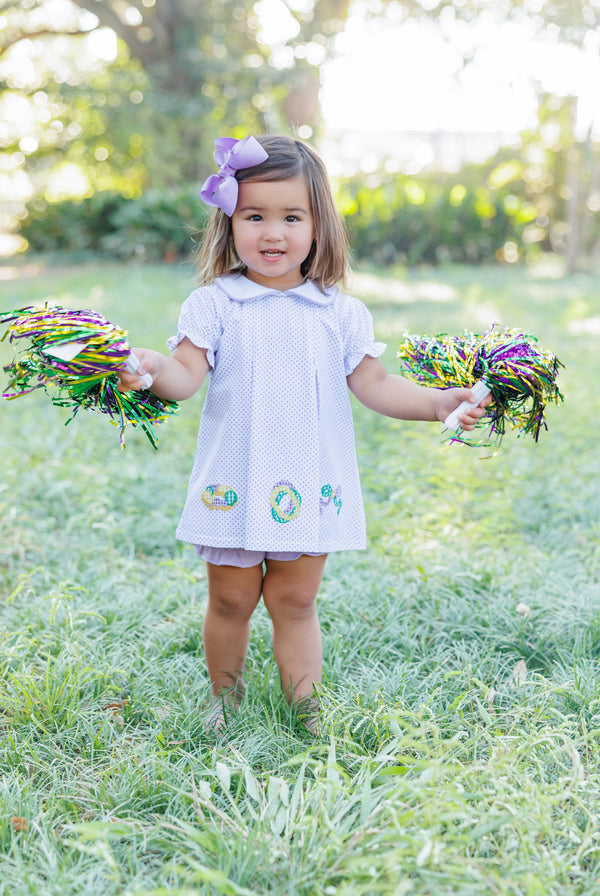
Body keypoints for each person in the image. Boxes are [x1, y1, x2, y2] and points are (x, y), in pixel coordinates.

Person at [117, 134, 489, 735]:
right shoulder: (215, 305)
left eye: (292, 217)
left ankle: (307, 710)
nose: (273, 233)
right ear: (229, 222)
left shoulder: (339, 312)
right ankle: (224, 702)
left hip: (308, 481)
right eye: (254, 216)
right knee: (232, 601)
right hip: (234, 481)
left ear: (319, 226)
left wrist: (440, 402)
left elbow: (375, 384)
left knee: (295, 602)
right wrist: (150, 370)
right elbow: (185, 377)